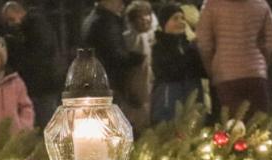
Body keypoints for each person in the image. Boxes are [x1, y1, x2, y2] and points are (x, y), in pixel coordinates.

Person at [196, 0, 272, 117]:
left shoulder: (211, 5)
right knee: (258, 128)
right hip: (256, 74)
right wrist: (261, 64)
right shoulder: (261, 4)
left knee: (230, 127)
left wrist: (211, 68)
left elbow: (204, 44)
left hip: (224, 74)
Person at [0, 1, 63, 128]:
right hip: (42, 84)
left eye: (12, 19)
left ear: (19, 13)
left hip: (43, 85)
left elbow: (35, 56)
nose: (11, 24)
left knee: (47, 123)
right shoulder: (33, 26)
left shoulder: (35, 27)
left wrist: (15, 45)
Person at [81, 0, 145, 104]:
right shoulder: (106, 22)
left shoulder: (94, 18)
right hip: (109, 82)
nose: (122, 4)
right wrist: (137, 59)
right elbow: (115, 55)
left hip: (97, 80)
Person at [151, 3, 204, 124]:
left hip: (192, 93)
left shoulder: (189, 45)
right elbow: (169, 71)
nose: (181, 22)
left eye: (182, 18)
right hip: (170, 99)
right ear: (164, 23)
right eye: (175, 18)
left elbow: (200, 69)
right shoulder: (159, 47)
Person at [122, 1, 155, 130]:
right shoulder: (128, 40)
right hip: (135, 91)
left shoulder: (150, 37)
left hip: (148, 89)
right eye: (140, 16)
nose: (145, 19)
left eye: (147, 15)